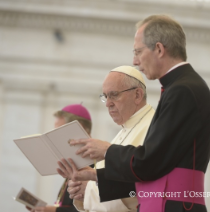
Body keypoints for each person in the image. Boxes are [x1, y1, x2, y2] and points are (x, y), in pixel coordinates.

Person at [60, 15, 210, 212]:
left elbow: (149, 162)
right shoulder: (179, 87)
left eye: (138, 52)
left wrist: (107, 150)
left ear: (159, 49)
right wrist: (94, 176)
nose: (135, 61)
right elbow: (150, 175)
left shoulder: (183, 90)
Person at [57, 66, 155, 212]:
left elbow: (141, 188)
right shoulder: (124, 130)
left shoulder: (152, 127)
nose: (108, 103)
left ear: (137, 95)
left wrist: (88, 190)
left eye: (114, 95)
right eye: (105, 96)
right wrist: (82, 185)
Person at [27, 103, 92, 212]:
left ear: (79, 128)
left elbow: (91, 209)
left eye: (59, 133)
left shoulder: (96, 163)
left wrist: (52, 211)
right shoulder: (74, 162)